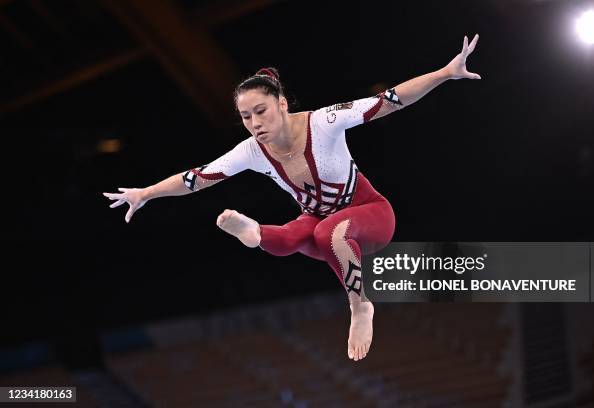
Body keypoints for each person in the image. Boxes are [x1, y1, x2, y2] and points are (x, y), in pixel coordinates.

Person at [103, 35, 481, 361]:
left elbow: (391, 99)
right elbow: (195, 179)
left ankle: (359, 303)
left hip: (370, 214)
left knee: (326, 232)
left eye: (261, 111)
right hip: (318, 227)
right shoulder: (250, 151)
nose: (255, 124)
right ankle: (253, 234)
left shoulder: (324, 122)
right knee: (291, 237)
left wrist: (445, 73)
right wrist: (146, 193)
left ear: (282, 103)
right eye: (246, 117)